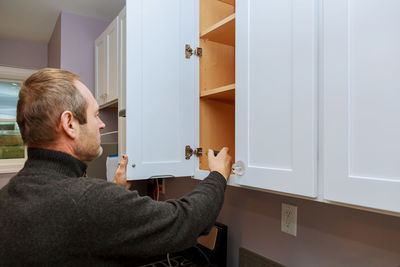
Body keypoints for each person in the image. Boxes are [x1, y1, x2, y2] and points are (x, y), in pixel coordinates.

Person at [0, 68, 232, 266]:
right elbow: (186, 221)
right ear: (69, 123)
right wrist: (218, 174)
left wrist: (115, 192)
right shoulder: (91, 201)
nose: (101, 125)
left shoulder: (8, 196)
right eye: (96, 115)